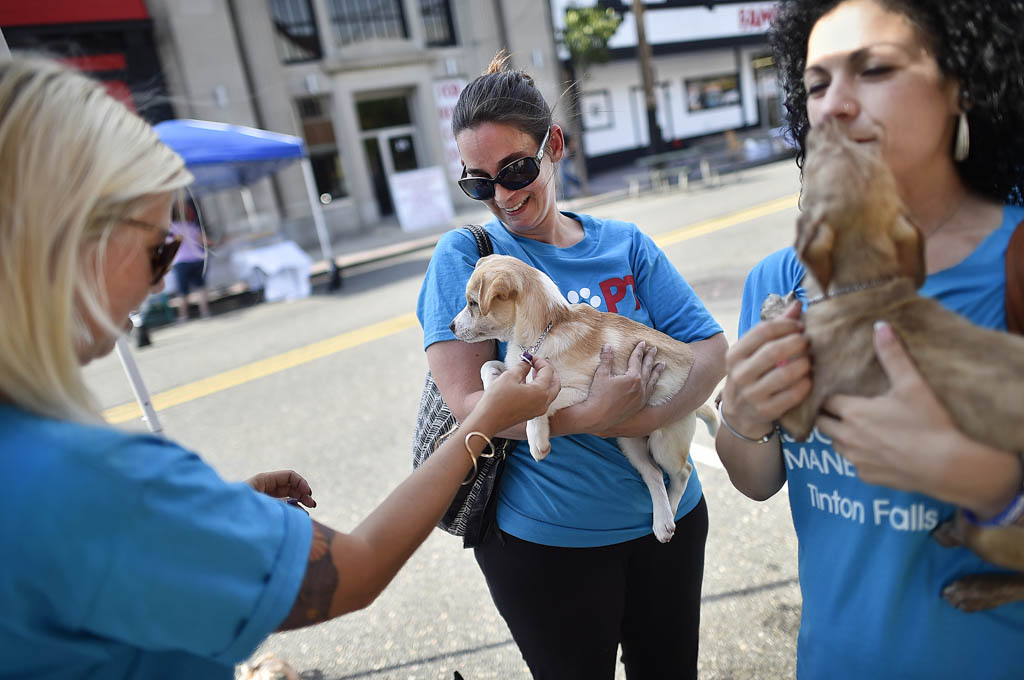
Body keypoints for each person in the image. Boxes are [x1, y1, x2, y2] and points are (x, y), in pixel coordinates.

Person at [0, 57, 560, 679]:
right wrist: (485, 421)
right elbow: (357, 569)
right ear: (69, 245)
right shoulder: (103, 481)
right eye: (161, 250)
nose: (158, 286)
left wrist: (207, 513)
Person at [715, 1, 1024, 678]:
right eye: (816, 83)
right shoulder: (779, 281)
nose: (833, 106)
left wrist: (992, 484)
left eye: (874, 69)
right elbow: (756, 479)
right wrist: (741, 415)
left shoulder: (1016, 261)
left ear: (962, 82)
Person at [417, 53, 727, 679]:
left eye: (516, 169)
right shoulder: (470, 258)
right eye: (479, 183)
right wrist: (591, 416)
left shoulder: (625, 244)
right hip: (547, 546)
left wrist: (632, 417)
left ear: (553, 144)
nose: (502, 196)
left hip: (668, 520)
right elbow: (473, 415)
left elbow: (712, 353)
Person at [170, 199, 211, 322]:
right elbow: (205, 241)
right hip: (198, 259)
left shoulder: (171, 229)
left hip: (181, 261)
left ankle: (183, 316)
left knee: (182, 291)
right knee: (201, 287)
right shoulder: (192, 226)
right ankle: (205, 312)